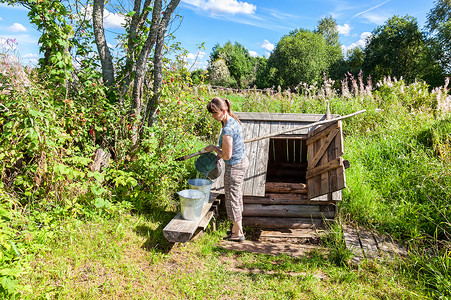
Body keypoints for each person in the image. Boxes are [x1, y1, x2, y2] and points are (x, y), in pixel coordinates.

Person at [204, 97, 249, 242]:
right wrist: (219, 152)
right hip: (240, 162)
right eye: (211, 113)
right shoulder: (230, 120)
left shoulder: (228, 128)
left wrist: (214, 149)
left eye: (214, 113)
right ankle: (236, 229)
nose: (213, 116)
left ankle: (239, 233)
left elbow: (227, 156)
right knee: (236, 197)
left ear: (223, 111)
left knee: (232, 199)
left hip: (234, 166)